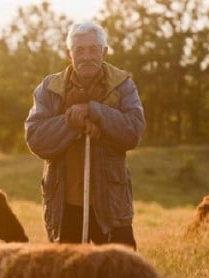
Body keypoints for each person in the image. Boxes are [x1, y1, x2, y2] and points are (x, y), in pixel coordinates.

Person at [25, 21, 146, 249]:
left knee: (119, 275)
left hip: (111, 204)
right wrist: (74, 123)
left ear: (104, 52)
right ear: (68, 54)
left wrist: (94, 110)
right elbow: (35, 138)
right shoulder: (49, 88)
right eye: (79, 50)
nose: (87, 56)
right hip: (64, 205)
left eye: (93, 49)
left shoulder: (122, 85)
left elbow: (133, 131)